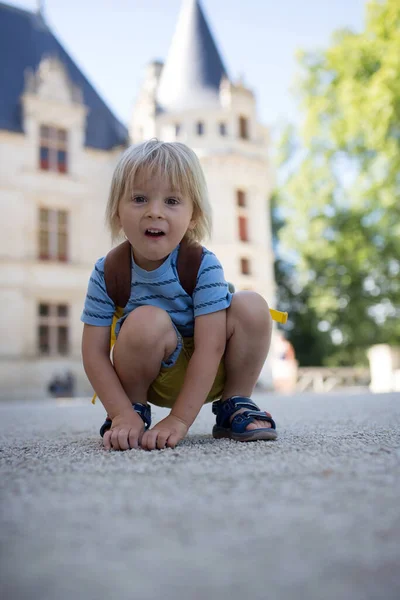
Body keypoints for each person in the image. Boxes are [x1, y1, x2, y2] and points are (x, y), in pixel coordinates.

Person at [81, 139, 277, 451]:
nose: (154, 212)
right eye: (140, 198)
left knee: (252, 305)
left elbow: (211, 348)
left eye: (172, 201)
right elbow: (93, 353)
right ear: (117, 212)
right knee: (146, 319)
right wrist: (120, 411)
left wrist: (179, 420)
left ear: (194, 216)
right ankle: (132, 412)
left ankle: (235, 404)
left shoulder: (203, 264)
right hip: (150, 372)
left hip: (213, 368)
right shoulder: (108, 271)